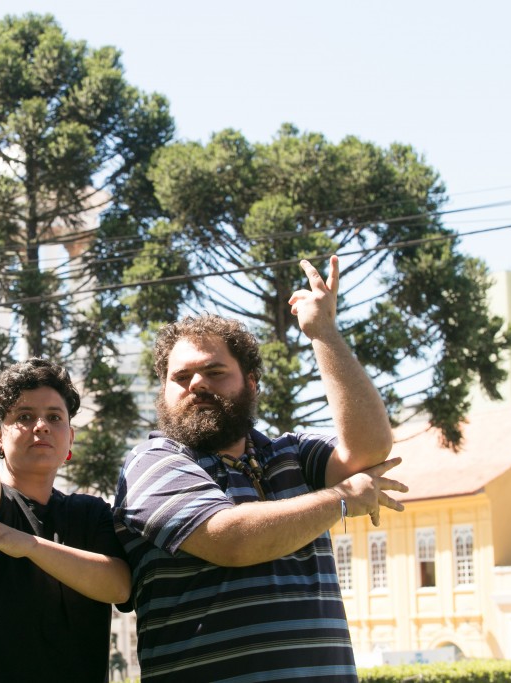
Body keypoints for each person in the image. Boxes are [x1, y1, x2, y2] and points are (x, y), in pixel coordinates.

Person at [113, 255, 408, 682]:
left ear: (251, 382)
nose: (196, 384)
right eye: (181, 378)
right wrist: (342, 498)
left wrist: (323, 333)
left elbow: (369, 449)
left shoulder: (290, 453)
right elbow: (232, 539)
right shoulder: (153, 464)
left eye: (215, 371)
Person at [0, 296, 130, 683]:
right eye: (24, 417)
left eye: (54, 417)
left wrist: (29, 546)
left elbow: (119, 586)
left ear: (70, 439)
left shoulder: (89, 514)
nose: (41, 426)